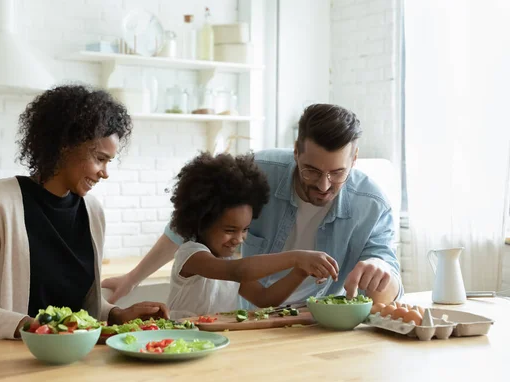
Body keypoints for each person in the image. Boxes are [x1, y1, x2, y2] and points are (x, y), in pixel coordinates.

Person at [103, 104, 403, 307]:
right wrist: (132, 279)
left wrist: (381, 270)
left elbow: (388, 283)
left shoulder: (373, 205)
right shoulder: (259, 171)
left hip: (312, 319)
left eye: (337, 173)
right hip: (245, 317)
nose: (323, 185)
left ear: (354, 159)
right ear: (296, 152)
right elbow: (184, 227)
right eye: (311, 171)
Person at [0, 85, 168, 343]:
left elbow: (80, 306)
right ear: (65, 146)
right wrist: (29, 326)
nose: (104, 172)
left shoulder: (92, 212)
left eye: (109, 162)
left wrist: (116, 315)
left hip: (74, 360)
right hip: (3, 365)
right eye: (99, 158)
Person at [165, 152, 339, 318]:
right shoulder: (190, 255)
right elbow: (238, 271)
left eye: (245, 229)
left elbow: (265, 299)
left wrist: (300, 271)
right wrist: (296, 257)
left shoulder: (228, 264)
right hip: (180, 342)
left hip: (215, 342)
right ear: (201, 221)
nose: (239, 239)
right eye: (230, 230)